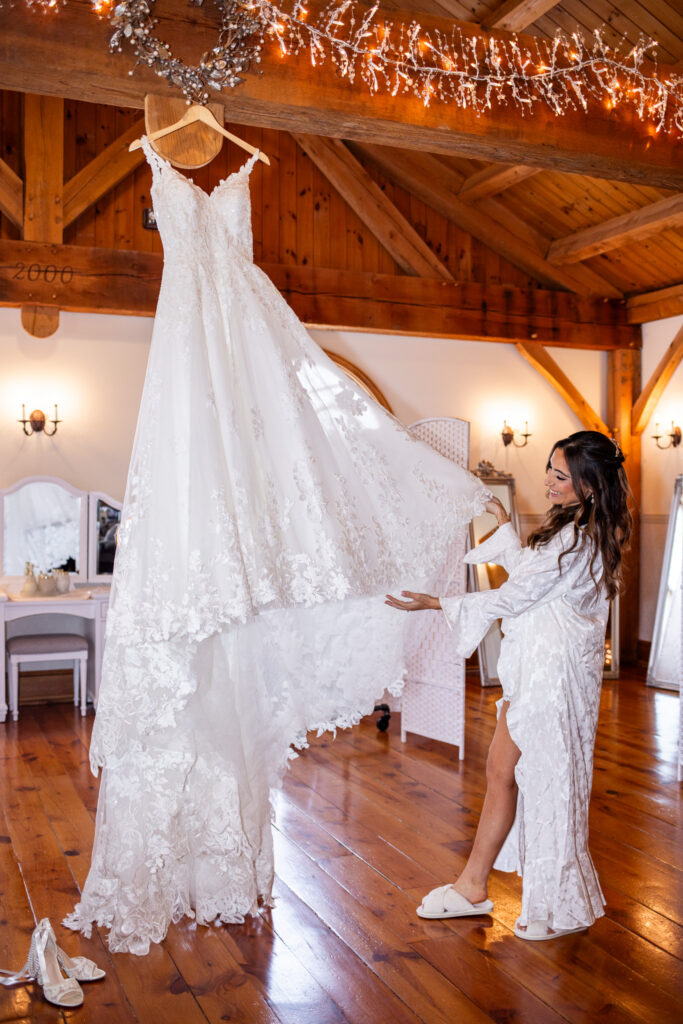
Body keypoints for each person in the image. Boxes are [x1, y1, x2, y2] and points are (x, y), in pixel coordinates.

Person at [386, 430, 632, 940]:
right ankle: (472, 885)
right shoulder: (574, 536)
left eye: (560, 475)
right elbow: (533, 582)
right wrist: (505, 532)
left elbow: (513, 598)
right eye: (549, 468)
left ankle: (554, 905)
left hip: (553, 679)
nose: (548, 479)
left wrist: (437, 604)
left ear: (589, 486)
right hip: (538, 672)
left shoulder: (575, 541)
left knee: (548, 784)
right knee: (501, 771)